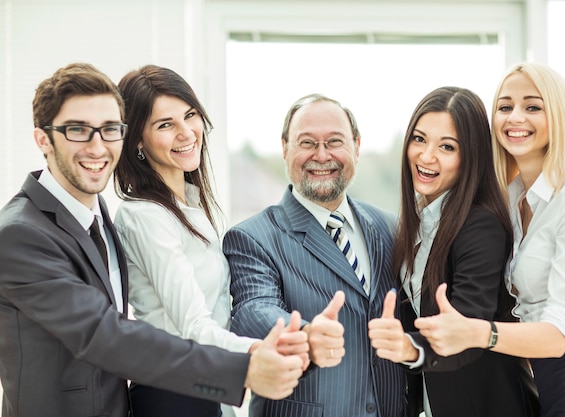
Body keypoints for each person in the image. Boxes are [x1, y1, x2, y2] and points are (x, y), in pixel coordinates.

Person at [0, 62, 306, 417]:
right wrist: (247, 364)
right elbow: (104, 333)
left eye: (109, 129)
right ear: (43, 139)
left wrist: (287, 342)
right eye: (78, 130)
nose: (97, 147)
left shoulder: (99, 217)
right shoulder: (20, 233)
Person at [414, 63, 565, 417]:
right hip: (548, 381)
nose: (515, 118)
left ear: (558, 116)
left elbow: (561, 335)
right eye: (505, 106)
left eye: (532, 107)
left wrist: (477, 333)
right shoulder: (513, 198)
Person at [112, 64, 309, 417]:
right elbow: (193, 326)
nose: (187, 132)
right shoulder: (143, 216)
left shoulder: (195, 204)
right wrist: (261, 350)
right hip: (171, 393)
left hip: (208, 386)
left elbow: (222, 310)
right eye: (165, 124)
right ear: (137, 140)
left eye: (190, 115)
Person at [222, 94, 406, 417]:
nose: (322, 155)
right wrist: (305, 334)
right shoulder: (252, 237)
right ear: (285, 149)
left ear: (357, 147)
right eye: (307, 143)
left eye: (334, 141)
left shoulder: (390, 227)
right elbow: (253, 310)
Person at [367, 86, 538, 417]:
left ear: (470, 156)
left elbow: (467, 324)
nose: (426, 156)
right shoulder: (417, 222)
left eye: (447, 146)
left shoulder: (480, 225)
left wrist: (410, 348)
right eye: (419, 139)